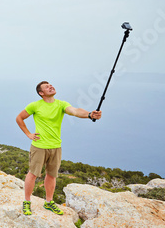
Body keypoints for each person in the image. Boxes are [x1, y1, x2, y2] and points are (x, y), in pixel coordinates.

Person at [16, 81, 102, 215]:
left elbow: (75, 111)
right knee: (33, 174)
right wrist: (28, 134)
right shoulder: (35, 105)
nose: (51, 86)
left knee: (51, 175)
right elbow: (19, 118)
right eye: (46, 87)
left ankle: (49, 202)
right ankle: (27, 202)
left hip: (56, 146)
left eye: (51, 85)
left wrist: (90, 114)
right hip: (39, 146)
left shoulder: (61, 104)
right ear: (41, 93)